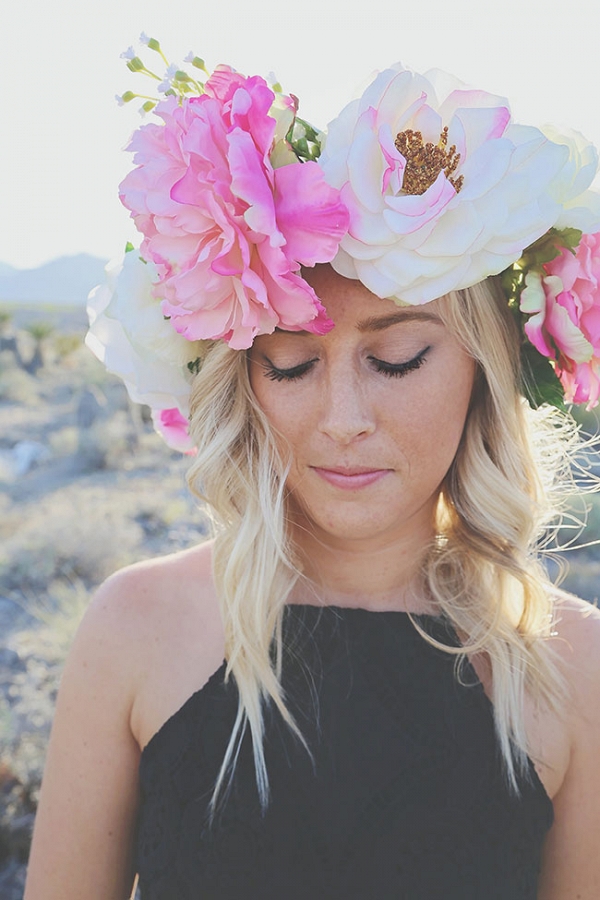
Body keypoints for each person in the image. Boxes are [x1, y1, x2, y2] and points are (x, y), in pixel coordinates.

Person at [24, 44, 600, 900]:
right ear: (243, 384)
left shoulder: (576, 664)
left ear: (483, 366)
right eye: (291, 364)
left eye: (399, 358)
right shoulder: (136, 630)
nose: (343, 420)